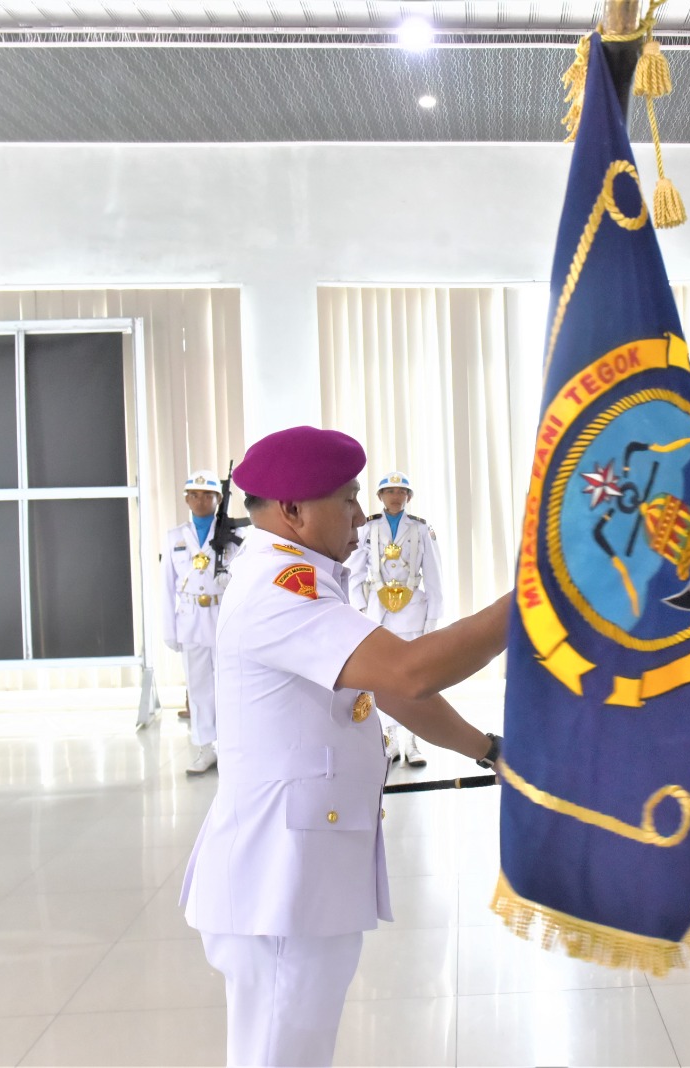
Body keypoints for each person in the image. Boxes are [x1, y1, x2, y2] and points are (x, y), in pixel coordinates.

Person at [181, 426, 508, 1068]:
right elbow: (410, 672)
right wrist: (532, 601)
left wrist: (488, 748)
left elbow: (387, 690)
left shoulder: (304, 577)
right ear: (293, 510)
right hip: (278, 887)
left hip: (301, 876)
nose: (361, 516)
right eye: (349, 500)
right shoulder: (280, 588)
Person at [346, 471, 446, 767]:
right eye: (390, 491)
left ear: (409, 497)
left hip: (412, 610)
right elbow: (355, 569)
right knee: (382, 677)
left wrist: (433, 618)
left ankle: (412, 741)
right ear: (380, 496)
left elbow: (434, 574)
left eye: (401, 492)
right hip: (378, 613)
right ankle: (388, 738)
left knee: (414, 677)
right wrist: (359, 607)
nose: (395, 497)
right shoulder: (368, 527)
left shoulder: (420, 528)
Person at [162, 469, 244, 775]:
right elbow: (166, 588)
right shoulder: (175, 537)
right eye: (194, 495)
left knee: (229, 684)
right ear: (186, 499)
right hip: (190, 619)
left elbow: (245, 580)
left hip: (223, 618)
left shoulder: (234, 535)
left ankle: (230, 747)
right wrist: (169, 630)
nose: (200, 501)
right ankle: (204, 746)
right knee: (198, 687)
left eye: (207, 495)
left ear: (218, 499)